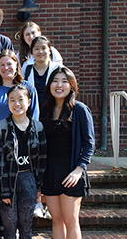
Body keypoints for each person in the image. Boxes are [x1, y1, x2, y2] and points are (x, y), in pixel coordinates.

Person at [40, 67, 95, 239]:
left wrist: (79, 169)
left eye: (64, 81)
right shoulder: (46, 111)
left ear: (71, 86)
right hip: (50, 172)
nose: (59, 85)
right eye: (55, 80)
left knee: (70, 220)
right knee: (56, 220)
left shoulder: (79, 109)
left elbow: (89, 143)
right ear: (49, 85)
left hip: (72, 171)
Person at [0, 85, 47, 239]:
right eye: (12, 100)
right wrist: (5, 190)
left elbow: (42, 160)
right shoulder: (0, 127)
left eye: (21, 100)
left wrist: (39, 187)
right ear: (8, 104)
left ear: (29, 102)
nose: (17, 104)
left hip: (28, 180)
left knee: (26, 227)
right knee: (9, 228)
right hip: (8, 180)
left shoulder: (38, 127)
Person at [0, 49, 39, 141]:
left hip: (25, 140)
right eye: (2, 65)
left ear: (16, 65)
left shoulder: (28, 88)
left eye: (9, 64)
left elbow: (34, 115)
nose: (6, 68)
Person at [22, 36, 60, 109]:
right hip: (32, 111)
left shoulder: (57, 69)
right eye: (36, 49)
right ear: (32, 52)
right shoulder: (27, 69)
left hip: (53, 110)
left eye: (43, 48)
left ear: (49, 51)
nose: (40, 52)